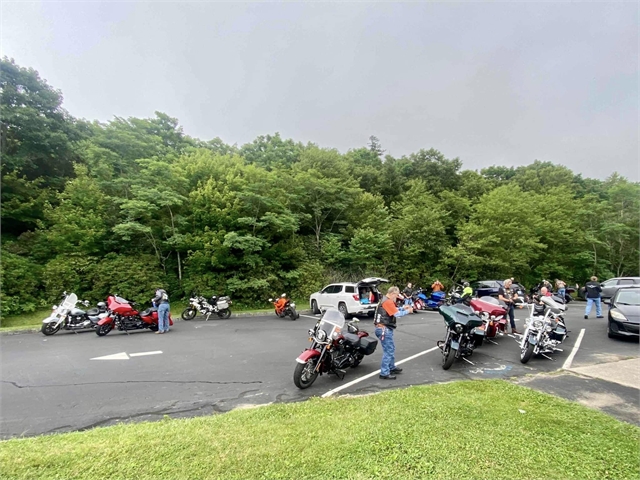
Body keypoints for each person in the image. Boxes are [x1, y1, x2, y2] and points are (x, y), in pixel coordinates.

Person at [374, 286, 412, 380]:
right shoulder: (388, 301)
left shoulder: (384, 300)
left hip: (382, 328)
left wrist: (403, 308)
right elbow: (396, 314)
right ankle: (384, 372)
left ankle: (391, 367)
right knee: (388, 351)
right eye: (396, 295)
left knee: (390, 349)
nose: (397, 297)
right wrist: (407, 311)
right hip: (384, 329)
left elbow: (393, 310)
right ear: (392, 294)